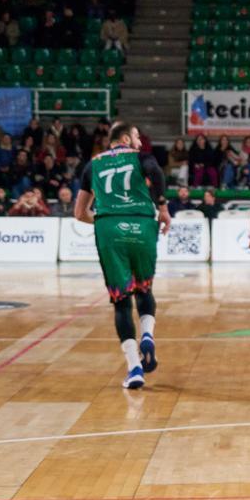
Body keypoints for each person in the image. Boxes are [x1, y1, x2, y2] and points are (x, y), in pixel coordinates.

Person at [75, 122, 171, 389]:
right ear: (127, 138)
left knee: (121, 301)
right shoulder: (142, 157)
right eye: (138, 137)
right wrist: (162, 208)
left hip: (108, 228)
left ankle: (134, 367)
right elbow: (157, 175)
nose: (140, 142)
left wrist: (107, 222)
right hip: (142, 224)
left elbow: (79, 213)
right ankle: (148, 335)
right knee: (144, 290)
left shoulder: (92, 165)